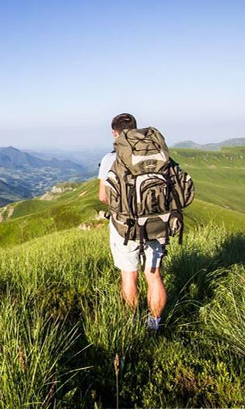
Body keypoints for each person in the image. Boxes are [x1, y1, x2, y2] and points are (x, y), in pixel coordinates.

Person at [98, 113, 167, 332]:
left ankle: (131, 324)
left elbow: (102, 196)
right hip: (157, 222)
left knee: (130, 274)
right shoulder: (156, 152)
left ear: (114, 133)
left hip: (125, 226)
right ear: (136, 129)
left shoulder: (111, 158)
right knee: (154, 275)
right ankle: (153, 325)